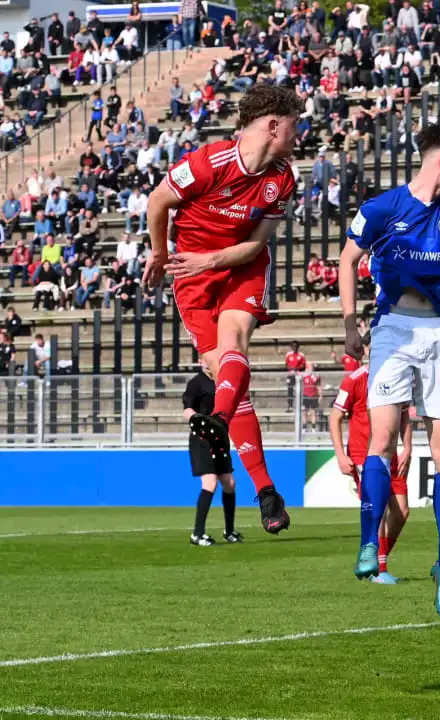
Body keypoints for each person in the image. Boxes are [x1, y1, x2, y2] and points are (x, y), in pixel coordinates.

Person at [338, 123, 440, 619]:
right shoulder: (384, 208)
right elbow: (347, 260)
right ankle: (369, 543)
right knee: (380, 438)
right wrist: (349, 328)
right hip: (392, 331)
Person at [142, 84, 302, 536]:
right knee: (228, 376)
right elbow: (158, 201)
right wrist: (159, 254)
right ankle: (267, 491)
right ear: (273, 125)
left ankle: (220, 422)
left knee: (235, 345)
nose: (298, 133)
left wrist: (210, 259)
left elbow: (256, 243)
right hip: (192, 278)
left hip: (240, 267)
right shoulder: (209, 163)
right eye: (294, 125)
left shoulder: (283, 178)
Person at [330, 349, 414, 584]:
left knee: (402, 511)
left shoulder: (398, 374)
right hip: (364, 454)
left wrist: (407, 446)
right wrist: (340, 454)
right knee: (379, 509)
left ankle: (378, 559)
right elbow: (334, 416)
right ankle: (380, 568)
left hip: (392, 454)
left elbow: (404, 413)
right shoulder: (355, 379)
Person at [183, 365, 241, 547]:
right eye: (204, 359)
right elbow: (187, 410)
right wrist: (197, 420)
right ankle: (197, 534)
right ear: (201, 361)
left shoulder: (223, 381)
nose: (208, 363)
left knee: (229, 484)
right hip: (202, 439)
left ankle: (229, 531)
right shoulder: (196, 383)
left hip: (220, 438)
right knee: (210, 482)